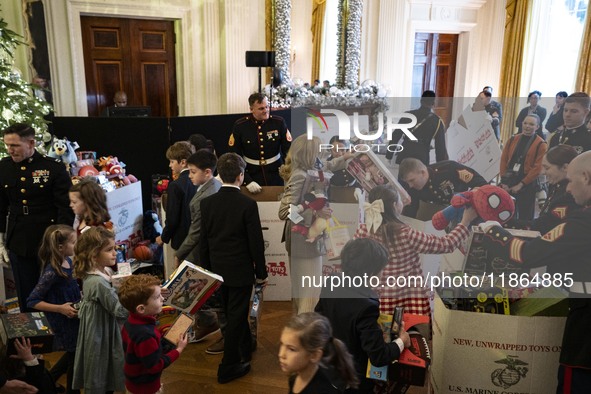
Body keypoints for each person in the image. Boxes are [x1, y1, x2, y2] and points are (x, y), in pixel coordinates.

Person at [480, 150, 591, 393]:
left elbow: (525, 254)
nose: (569, 189)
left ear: (586, 177)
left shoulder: (583, 223)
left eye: (571, 181)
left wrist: (493, 232)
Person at [198, 152, 268, 384]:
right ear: (241, 176)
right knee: (237, 315)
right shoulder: (248, 204)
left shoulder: (207, 203)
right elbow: (255, 243)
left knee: (231, 313)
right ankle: (228, 366)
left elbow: (204, 240)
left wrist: (206, 270)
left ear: (219, 174)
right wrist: (262, 274)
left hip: (216, 269)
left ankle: (246, 348)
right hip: (240, 271)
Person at [356, 185, 476, 315]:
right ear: (395, 205)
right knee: (412, 333)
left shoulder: (363, 230)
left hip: (374, 298)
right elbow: (445, 244)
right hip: (407, 300)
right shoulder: (405, 233)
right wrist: (465, 221)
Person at [315, 238, 412, 393]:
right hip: (353, 379)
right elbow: (379, 357)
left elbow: (318, 318)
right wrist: (402, 341)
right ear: (372, 272)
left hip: (327, 367)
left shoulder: (332, 280)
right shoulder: (367, 306)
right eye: (381, 270)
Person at [0, 123, 74, 312]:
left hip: (48, 240)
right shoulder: (4, 167)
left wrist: (62, 242)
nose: (10, 150)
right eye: (7, 145)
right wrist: (1, 239)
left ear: (31, 143)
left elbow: (65, 209)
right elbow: (0, 206)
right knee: (27, 295)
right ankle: (34, 338)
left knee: (52, 292)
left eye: (14, 145)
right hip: (19, 241)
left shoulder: (53, 169)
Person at [278, 135, 349, 314]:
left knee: (305, 295)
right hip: (302, 244)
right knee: (309, 296)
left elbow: (328, 165)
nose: (324, 153)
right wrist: (314, 209)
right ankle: (306, 335)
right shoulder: (300, 176)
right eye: (320, 150)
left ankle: (302, 333)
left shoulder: (309, 170)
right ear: (310, 154)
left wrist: (347, 157)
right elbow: (284, 213)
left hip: (306, 241)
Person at [173, 149, 223, 345]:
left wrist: (179, 253)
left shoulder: (204, 196)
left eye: (193, 172)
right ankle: (205, 323)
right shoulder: (215, 186)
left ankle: (181, 334)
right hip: (208, 251)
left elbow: (195, 232)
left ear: (208, 172)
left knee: (184, 293)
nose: (190, 175)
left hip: (199, 253)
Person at [72, 227, 128, 394]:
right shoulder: (98, 282)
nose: (114, 253)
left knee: (104, 367)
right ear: (93, 254)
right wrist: (139, 301)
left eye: (115, 248)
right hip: (100, 332)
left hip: (103, 328)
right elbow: (120, 311)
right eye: (109, 249)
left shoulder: (105, 271)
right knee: (99, 367)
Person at [26, 225, 81, 394]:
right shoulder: (51, 271)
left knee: (74, 354)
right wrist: (60, 309)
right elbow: (32, 301)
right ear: (60, 247)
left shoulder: (69, 261)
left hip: (73, 317)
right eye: (73, 242)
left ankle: (46, 381)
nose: (76, 245)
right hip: (63, 321)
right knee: (75, 358)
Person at [118, 274, 188, 394]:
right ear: (141, 309)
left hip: (135, 381)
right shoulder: (145, 335)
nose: (162, 299)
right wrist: (179, 350)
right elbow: (155, 366)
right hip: (145, 387)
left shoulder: (132, 322)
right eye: (157, 297)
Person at [506, 144, 581, 233]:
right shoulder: (557, 186)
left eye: (547, 168)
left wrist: (505, 223)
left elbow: (543, 225)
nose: (543, 172)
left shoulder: (571, 195)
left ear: (565, 167)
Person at [279, 312, 359, 393]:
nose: (281, 354)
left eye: (291, 349)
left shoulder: (324, 390)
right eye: (282, 344)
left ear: (314, 355)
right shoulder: (294, 377)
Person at [227, 93, 292, 191]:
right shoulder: (240, 126)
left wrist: (288, 173)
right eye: (261, 108)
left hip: (276, 173)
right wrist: (247, 180)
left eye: (267, 107)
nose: (266, 110)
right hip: (252, 174)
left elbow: (288, 151)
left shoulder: (278, 122)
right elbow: (234, 156)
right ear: (251, 109)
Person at [398, 158, 487, 218]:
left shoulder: (449, 168)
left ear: (423, 173)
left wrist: (469, 198)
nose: (410, 185)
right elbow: (411, 212)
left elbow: (481, 184)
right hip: (435, 213)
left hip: (463, 209)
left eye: (412, 180)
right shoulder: (413, 187)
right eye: (408, 182)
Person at [499, 114, 547, 220]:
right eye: (525, 123)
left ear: (537, 127)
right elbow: (503, 160)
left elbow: (537, 168)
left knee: (525, 216)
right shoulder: (512, 139)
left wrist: (521, 184)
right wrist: (504, 182)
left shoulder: (541, 144)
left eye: (531, 124)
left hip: (527, 183)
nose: (527, 126)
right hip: (509, 179)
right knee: (505, 212)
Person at [386, 90, 448, 165]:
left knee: (403, 176)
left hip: (405, 153)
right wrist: (440, 165)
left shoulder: (408, 115)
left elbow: (395, 136)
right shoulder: (437, 121)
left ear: (421, 101)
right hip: (422, 157)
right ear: (433, 103)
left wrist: (389, 155)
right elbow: (440, 147)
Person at [156, 141, 196, 251]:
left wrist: (163, 238)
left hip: (182, 240)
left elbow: (172, 218)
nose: (170, 165)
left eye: (172, 161)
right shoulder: (199, 180)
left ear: (183, 162)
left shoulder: (175, 186)